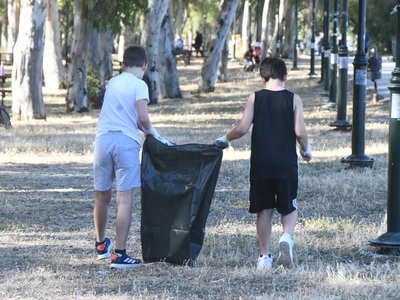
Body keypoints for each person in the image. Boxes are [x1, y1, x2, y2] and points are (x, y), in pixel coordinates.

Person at [214, 57, 312, 270]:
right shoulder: (294, 99)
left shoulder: (254, 98)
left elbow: (241, 128)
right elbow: (300, 132)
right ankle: (286, 237)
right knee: (289, 205)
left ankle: (264, 257)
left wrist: (224, 139)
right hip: (286, 164)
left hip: (261, 163)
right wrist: (306, 150)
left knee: (264, 209)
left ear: (262, 78)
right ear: (285, 77)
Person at [93, 45, 173, 269]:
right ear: (144, 66)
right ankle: (119, 254)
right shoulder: (140, 85)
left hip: (102, 141)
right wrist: (153, 133)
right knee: (124, 199)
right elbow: (142, 118)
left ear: (123, 64)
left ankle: (101, 245)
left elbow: (126, 115)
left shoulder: (113, 82)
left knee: (102, 196)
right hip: (125, 143)